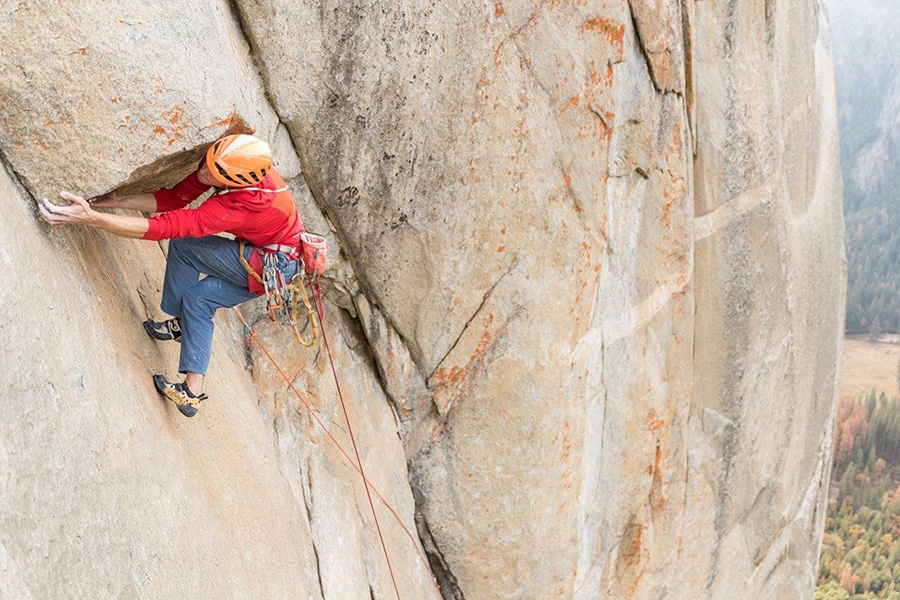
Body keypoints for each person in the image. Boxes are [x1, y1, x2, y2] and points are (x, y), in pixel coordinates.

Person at [39, 134, 305, 417]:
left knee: (185, 246)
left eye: (215, 174)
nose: (204, 173)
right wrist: (119, 199)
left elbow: (166, 227)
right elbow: (175, 198)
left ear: (238, 181)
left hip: (273, 265)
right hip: (274, 249)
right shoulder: (233, 161)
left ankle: (184, 330)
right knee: (199, 301)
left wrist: (93, 218)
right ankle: (190, 392)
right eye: (208, 164)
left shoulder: (240, 206)